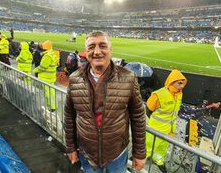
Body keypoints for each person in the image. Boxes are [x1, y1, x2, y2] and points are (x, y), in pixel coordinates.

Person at [64, 31, 146, 172]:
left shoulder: (128, 78)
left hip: (117, 154)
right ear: (86, 51)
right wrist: (71, 147)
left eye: (102, 46)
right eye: (91, 47)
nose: (97, 52)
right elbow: (69, 117)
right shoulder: (74, 78)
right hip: (87, 153)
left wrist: (139, 153)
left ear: (110, 50)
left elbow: (138, 117)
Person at [145, 69, 187, 172]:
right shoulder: (158, 94)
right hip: (155, 128)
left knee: (162, 148)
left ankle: (159, 160)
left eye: (183, 83)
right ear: (171, 82)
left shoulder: (179, 94)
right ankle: (137, 160)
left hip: (169, 130)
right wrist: (156, 123)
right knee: (148, 146)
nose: (182, 86)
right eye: (179, 83)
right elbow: (148, 110)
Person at [32, 40, 58, 110]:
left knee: (48, 93)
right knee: (51, 93)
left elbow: (42, 67)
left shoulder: (47, 56)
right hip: (50, 77)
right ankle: (52, 105)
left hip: (46, 78)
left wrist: (34, 70)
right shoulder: (52, 53)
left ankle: (52, 107)